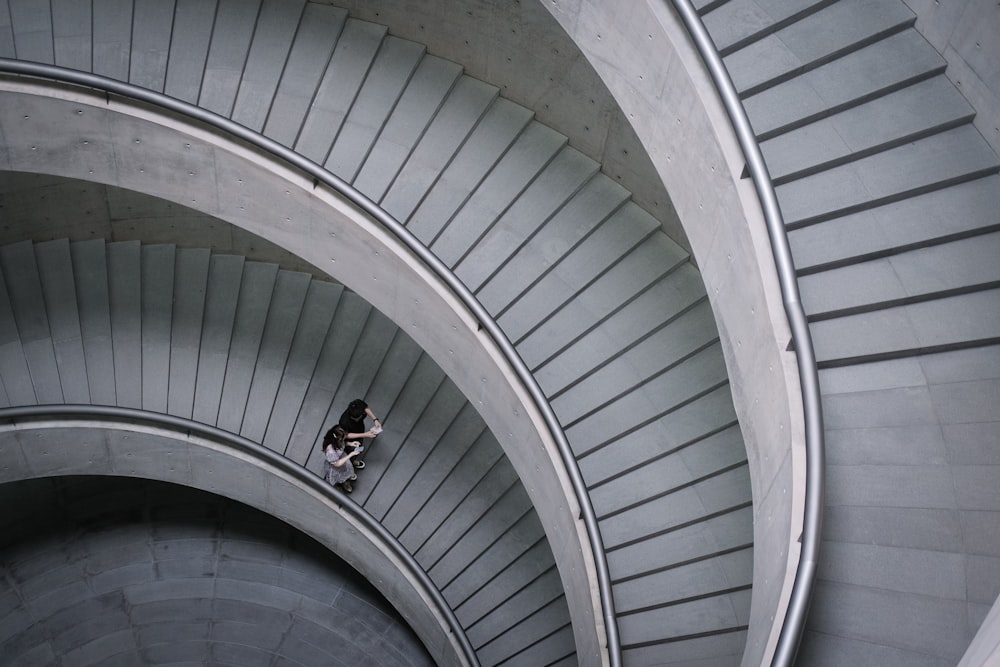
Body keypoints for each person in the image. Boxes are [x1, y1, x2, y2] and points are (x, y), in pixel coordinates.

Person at [337, 398, 381, 469]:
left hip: (359, 430)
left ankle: (355, 457)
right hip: (351, 437)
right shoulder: (344, 421)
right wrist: (365, 435)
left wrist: (375, 419)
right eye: (355, 419)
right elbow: (345, 435)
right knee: (351, 450)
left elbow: (365, 407)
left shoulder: (357, 404)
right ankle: (352, 461)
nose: (357, 420)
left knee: (359, 445)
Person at [321, 426, 360, 493]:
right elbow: (337, 464)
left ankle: (348, 477)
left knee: (348, 468)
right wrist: (351, 454)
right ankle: (344, 483)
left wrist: (350, 444)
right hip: (337, 465)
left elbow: (342, 444)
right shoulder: (330, 451)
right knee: (341, 476)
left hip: (343, 458)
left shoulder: (337, 442)